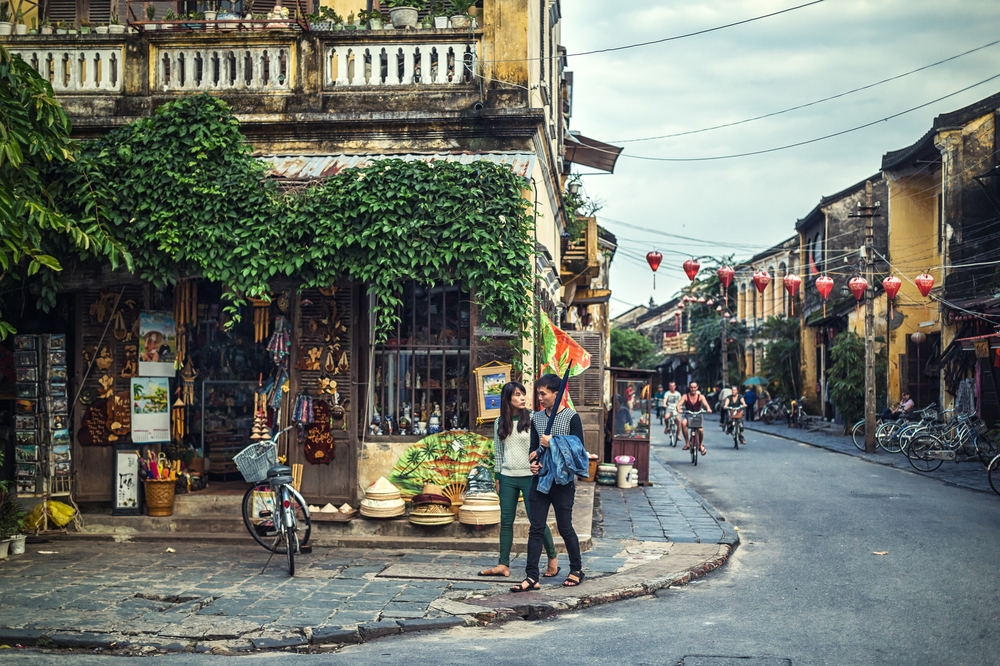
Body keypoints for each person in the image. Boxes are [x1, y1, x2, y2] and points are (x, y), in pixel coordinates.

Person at [512, 374, 586, 592]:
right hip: (541, 479)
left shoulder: (572, 417)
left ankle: (576, 570)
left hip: (562, 482)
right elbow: (534, 448)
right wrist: (533, 463)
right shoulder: (536, 418)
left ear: (556, 393)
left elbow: (579, 450)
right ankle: (532, 576)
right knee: (536, 528)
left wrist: (553, 440)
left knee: (565, 527)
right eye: (538, 393)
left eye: (543, 393)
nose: (540, 398)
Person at [480, 382, 560, 579]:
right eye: (517, 395)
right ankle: (503, 564)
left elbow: (545, 444)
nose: (523, 398)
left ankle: (553, 559)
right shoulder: (500, 421)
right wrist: (497, 477)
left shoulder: (534, 418)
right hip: (507, 477)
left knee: (537, 520)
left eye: (523, 394)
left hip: (530, 476)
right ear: (508, 399)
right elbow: (498, 452)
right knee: (506, 521)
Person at [679, 381, 713, 456]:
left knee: (700, 430)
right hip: (688, 414)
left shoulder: (701, 396)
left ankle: (700, 445)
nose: (693, 389)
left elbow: (706, 404)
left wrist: (708, 409)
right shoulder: (685, 396)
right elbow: (679, 404)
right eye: (691, 387)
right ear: (689, 387)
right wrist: (679, 409)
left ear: (697, 387)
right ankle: (687, 443)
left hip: (698, 415)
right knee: (683, 423)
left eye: (694, 387)